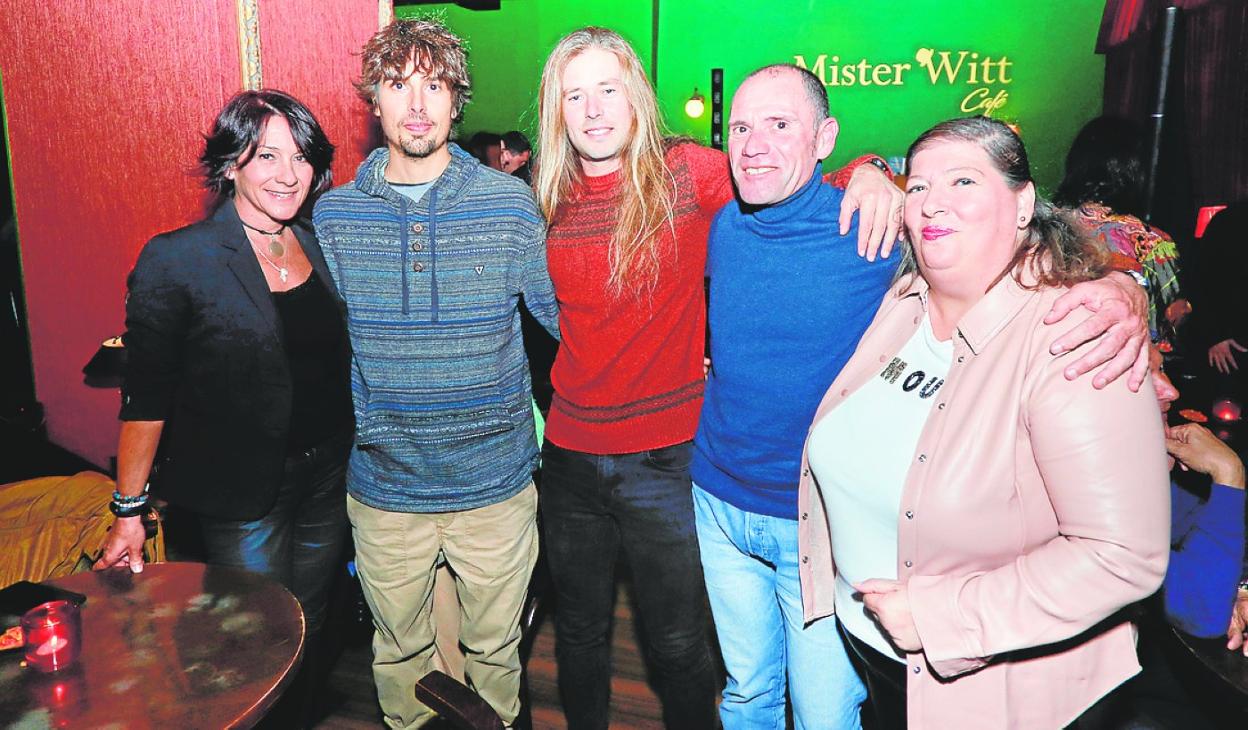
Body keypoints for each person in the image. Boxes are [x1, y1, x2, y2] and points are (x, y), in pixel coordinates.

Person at [694, 68, 1154, 730]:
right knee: (746, 694)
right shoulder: (737, 234)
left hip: (814, 523)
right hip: (722, 502)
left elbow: (1120, 551)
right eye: (740, 127)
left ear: (825, 137)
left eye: (780, 124)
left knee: (824, 714)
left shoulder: (877, 232)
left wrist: (1121, 291)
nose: (754, 143)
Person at [532, 28, 903, 730]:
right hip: (570, 453)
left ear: (637, 98)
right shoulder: (546, 195)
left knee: (678, 644)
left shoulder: (687, 172)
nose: (593, 109)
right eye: (574, 95)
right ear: (556, 109)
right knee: (577, 633)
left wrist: (871, 169)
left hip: (667, 456)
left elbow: (785, 174)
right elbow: (554, 313)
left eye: (608, 88)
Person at [799, 116, 1169, 729]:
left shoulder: (1076, 334)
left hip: (998, 691)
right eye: (919, 186)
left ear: (1023, 204)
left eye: (963, 181)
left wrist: (941, 618)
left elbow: (1123, 554)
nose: (932, 203)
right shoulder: (904, 301)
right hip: (879, 661)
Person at [312, 19, 559, 728]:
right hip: (386, 487)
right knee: (400, 657)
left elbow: (565, 319)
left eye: (435, 85)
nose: (417, 104)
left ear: (457, 100)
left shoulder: (509, 204)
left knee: (495, 655)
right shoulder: (335, 217)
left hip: (495, 484)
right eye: (397, 85)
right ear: (374, 101)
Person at [95, 89, 350, 724]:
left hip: (327, 478)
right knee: (252, 643)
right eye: (267, 156)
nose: (288, 174)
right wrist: (129, 510)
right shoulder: (179, 258)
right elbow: (146, 396)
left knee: (312, 624)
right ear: (231, 164)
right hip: (244, 496)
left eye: (301, 157)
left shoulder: (319, 244)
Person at [1054, 116, 1185, 343]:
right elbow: (1167, 320)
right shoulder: (1151, 241)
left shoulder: (1041, 228)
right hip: (1126, 359)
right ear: (1135, 170)